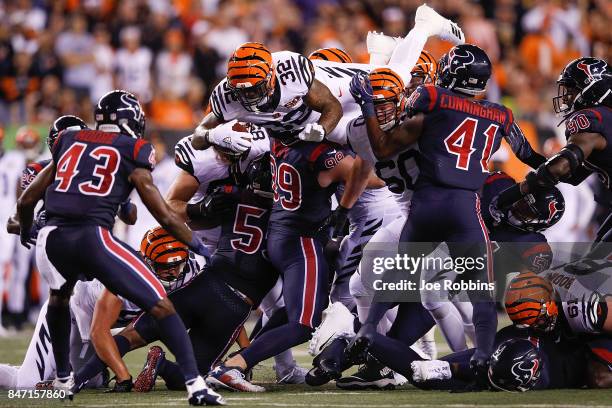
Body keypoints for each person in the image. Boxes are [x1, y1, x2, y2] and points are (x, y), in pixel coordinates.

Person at [347, 43, 546, 380]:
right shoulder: (501, 114)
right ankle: (483, 354)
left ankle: (367, 331)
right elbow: (529, 155)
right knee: (479, 288)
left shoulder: (431, 96)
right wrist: (557, 174)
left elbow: (383, 145)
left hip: (426, 202)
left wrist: (368, 102)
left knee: (399, 272)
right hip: (466, 205)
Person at [16, 90, 223, 405]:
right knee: (162, 306)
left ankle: (63, 379)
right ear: (131, 121)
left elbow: (27, 199)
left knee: (59, 299)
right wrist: (197, 245)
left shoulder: (69, 141)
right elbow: (164, 215)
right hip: (91, 238)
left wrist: (26, 227)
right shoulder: (132, 147)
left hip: (51, 240)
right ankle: (197, 387)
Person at [494, 57, 611, 244]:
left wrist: (510, 196)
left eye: (571, 90)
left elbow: (560, 167)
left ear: (593, 90)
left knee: (594, 267)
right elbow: (570, 175)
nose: (565, 97)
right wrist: (529, 155)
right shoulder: (605, 120)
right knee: (592, 263)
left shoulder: (592, 118)